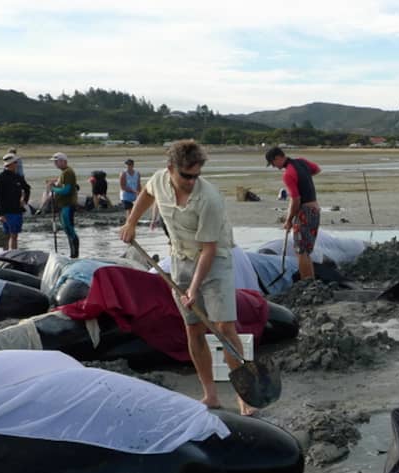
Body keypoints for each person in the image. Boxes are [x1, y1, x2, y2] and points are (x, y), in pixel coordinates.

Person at [119, 139, 256, 416]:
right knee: (193, 327)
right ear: (171, 168)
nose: (192, 182)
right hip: (181, 259)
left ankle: (245, 397)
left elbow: (209, 250)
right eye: (186, 176)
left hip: (214, 261)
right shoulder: (159, 180)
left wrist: (193, 289)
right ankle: (210, 395)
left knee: (224, 327)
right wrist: (131, 222)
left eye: (196, 176)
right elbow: (146, 194)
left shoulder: (210, 199)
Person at [265, 146, 321, 280]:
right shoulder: (302, 162)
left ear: (278, 158)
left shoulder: (288, 174)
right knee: (306, 250)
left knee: (300, 251)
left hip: (305, 212)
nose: (274, 166)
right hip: (315, 210)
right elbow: (317, 169)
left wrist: (289, 220)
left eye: (273, 163)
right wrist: (304, 178)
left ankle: (306, 282)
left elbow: (295, 200)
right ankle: (311, 281)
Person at [0, 153, 31, 251]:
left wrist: (24, 200)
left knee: (14, 235)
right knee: (8, 235)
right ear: (10, 164)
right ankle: (7, 254)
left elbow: (27, 188)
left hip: (17, 210)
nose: (17, 164)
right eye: (15, 162)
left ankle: (12, 254)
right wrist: (0, 214)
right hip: (6, 211)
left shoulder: (17, 177)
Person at [47, 152, 80, 258]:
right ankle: (73, 255)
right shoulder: (64, 173)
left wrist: (53, 189)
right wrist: (55, 184)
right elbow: (62, 185)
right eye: (54, 162)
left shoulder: (68, 172)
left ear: (63, 161)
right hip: (63, 205)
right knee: (67, 230)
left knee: (69, 229)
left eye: (57, 161)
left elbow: (66, 190)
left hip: (68, 205)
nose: (55, 164)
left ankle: (74, 255)